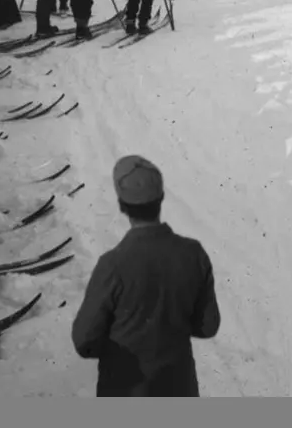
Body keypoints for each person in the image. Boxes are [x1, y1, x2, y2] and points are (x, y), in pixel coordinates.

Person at [71, 155, 220, 396]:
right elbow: (208, 326)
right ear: (161, 198)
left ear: (121, 205)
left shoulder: (112, 265)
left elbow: (84, 341)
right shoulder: (193, 254)